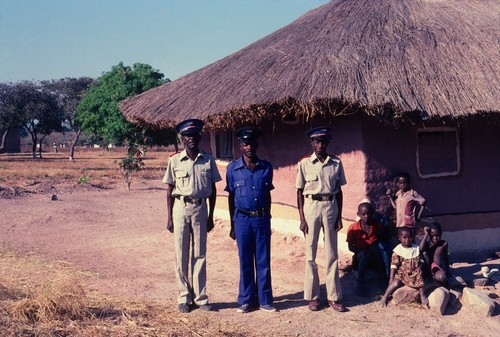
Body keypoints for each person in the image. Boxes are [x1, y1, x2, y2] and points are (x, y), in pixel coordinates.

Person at [163, 118, 222, 313]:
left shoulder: (208, 160)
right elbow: (169, 189)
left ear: (200, 137)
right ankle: (183, 297)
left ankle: (201, 297)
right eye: (188, 136)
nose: (192, 139)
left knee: (200, 254)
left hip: (200, 209)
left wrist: (211, 216)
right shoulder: (174, 160)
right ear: (182, 139)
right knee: (181, 254)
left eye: (195, 136)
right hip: (180, 208)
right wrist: (170, 217)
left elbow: (213, 191)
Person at [225, 126, 276, 313]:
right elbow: (231, 197)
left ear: (257, 145)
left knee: (263, 260)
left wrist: (268, 217)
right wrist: (232, 224)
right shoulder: (232, 169)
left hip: (261, 219)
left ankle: (265, 299)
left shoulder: (266, 168)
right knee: (245, 260)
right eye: (246, 144)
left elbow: (268, 195)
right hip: (242, 221)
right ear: (240, 146)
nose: (249, 147)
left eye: (252, 144)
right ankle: (246, 300)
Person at [296, 126, 347, 312]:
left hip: (331, 206)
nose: (320, 145)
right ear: (312, 143)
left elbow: (339, 191)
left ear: (327, 144)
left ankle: (333, 297)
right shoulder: (304, 164)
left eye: (324, 142)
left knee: (332, 253)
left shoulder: (336, 163)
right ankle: (314, 296)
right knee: (310, 254)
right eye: (317, 142)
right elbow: (299, 192)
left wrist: (339, 216)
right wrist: (301, 218)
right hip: (311, 207)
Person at [380, 226, 429, 308]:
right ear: (399, 238)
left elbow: (420, 260)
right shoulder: (398, 250)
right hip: (402, 273)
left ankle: (423, 296)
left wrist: (420, 267)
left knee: (420, 281)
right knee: (395, 283)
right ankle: (385, 296)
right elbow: (394, 265)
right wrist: (391, 278)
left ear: (412, 237)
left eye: (409, 237)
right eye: (404, 237)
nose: (407, 240)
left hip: (414, 273)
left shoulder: (415, 248)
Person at [346, 202, 388, 297]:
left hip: (374, 258)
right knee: (365, 254)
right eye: (363, 214)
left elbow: (383, 235)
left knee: (375, 248)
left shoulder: (376, 225)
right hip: (360, 259)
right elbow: (350, 247)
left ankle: (383, 283)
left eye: (369, 213)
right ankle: (360, 284)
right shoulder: (353, 228)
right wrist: (361, 251)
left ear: (372, 213)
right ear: (358, 214)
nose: (366, 216)